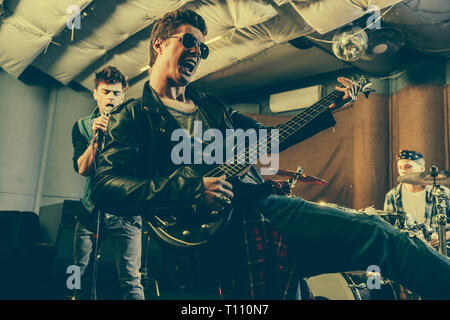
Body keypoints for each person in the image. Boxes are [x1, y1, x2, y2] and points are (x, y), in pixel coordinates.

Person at [91, 9, 450, 299]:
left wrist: (331, 105)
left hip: (256, 207)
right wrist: (189, 189)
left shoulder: (212, 106)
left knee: (380, 235)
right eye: (188, 41)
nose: (197, 52)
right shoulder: (133, 115)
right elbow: (106, 186)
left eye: (203, 47)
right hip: (199, 239)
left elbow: (269, 139)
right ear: (158, 44)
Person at [71, 66, 144, 300]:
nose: (110, 97)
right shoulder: (82, 126)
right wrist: (96, 137)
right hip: (91, 211)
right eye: (105, 92)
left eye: (115, 92)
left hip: (126, 214)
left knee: (131, 281)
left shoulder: (135, 125)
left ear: (123, 95)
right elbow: (83, 169)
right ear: (96, 93)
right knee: (78, 276)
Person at [384, 150, 450, 252]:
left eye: (408, 167)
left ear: (422, 168)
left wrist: (442, 237)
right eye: (400, 167)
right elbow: (387, 229)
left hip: (437, 252)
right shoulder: (392, 196)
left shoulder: (441, 193)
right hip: (406, 252)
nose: (403, 171)